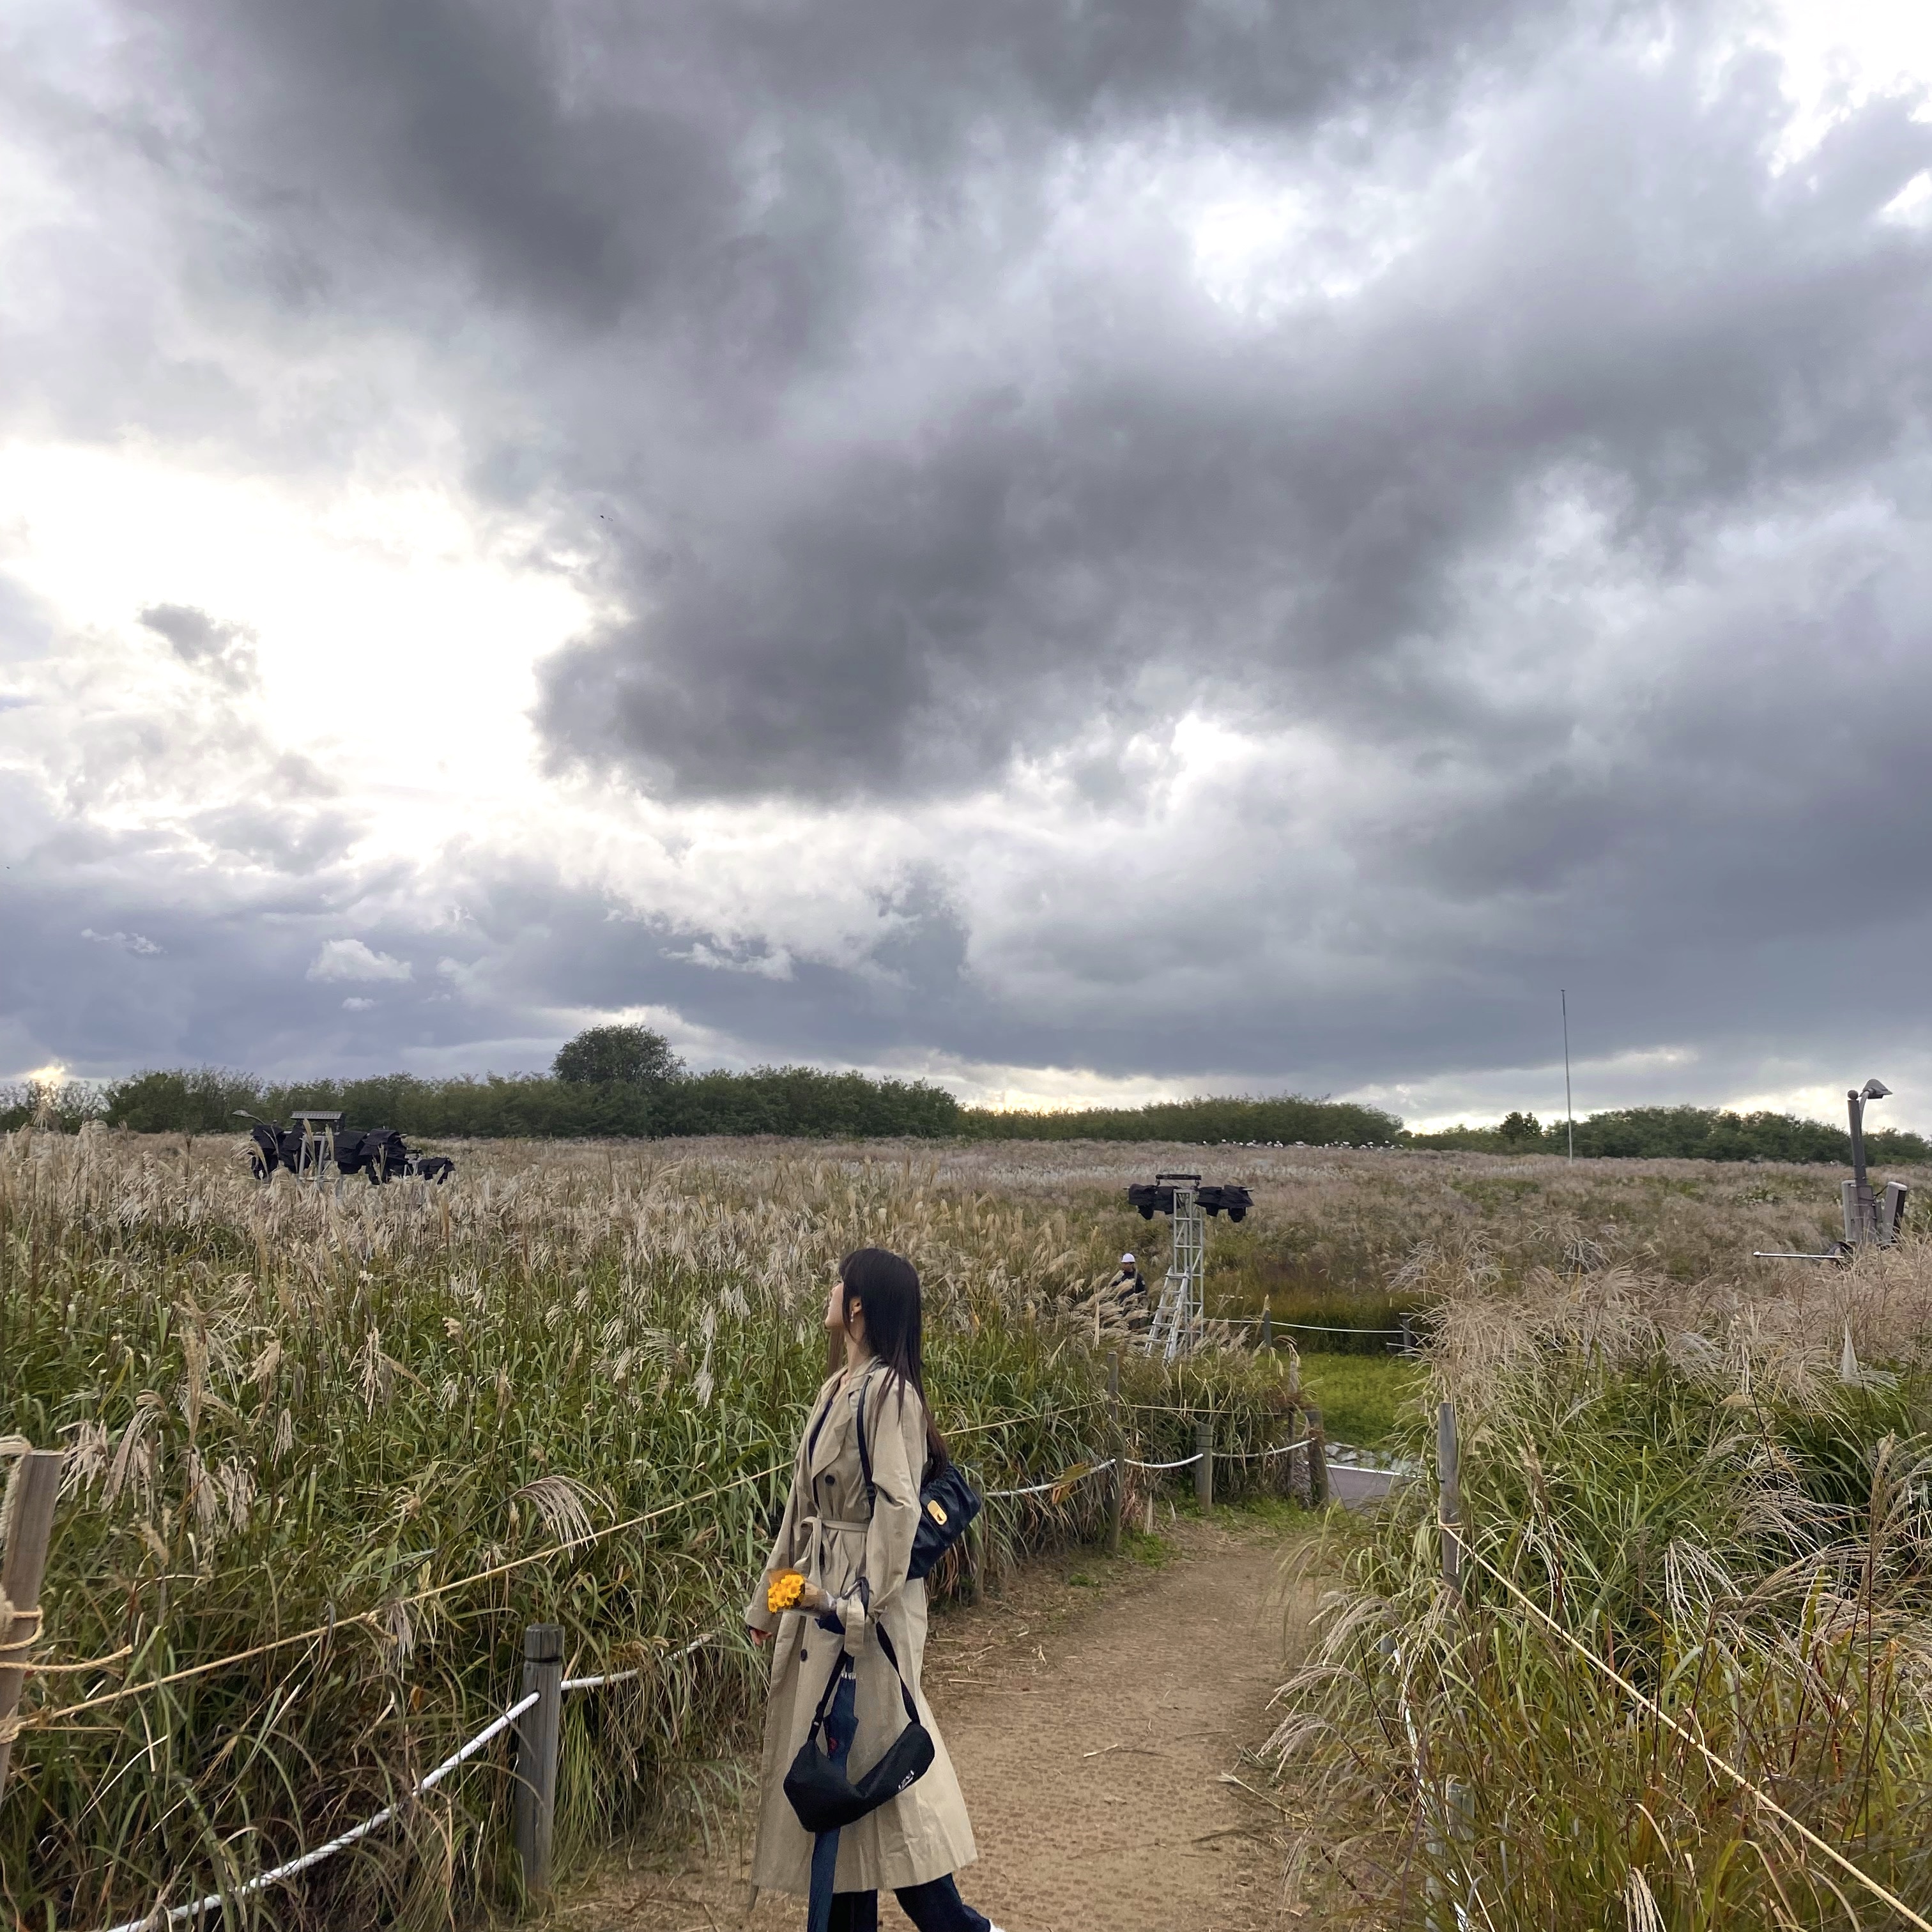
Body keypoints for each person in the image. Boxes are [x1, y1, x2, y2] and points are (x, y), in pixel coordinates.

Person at [746, 1247, 1004, 1932]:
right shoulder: (835, 1388)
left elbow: (899, 1509)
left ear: (858, 1305)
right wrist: (769, 1604)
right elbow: (800, 1513)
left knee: (873, 1780)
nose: (830, 1291)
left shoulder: (892, 1394)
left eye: (839, 1282)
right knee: (848, 1791)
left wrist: (861, 1607)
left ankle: (966, 1929)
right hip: (823, 1602)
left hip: (864, 1614)